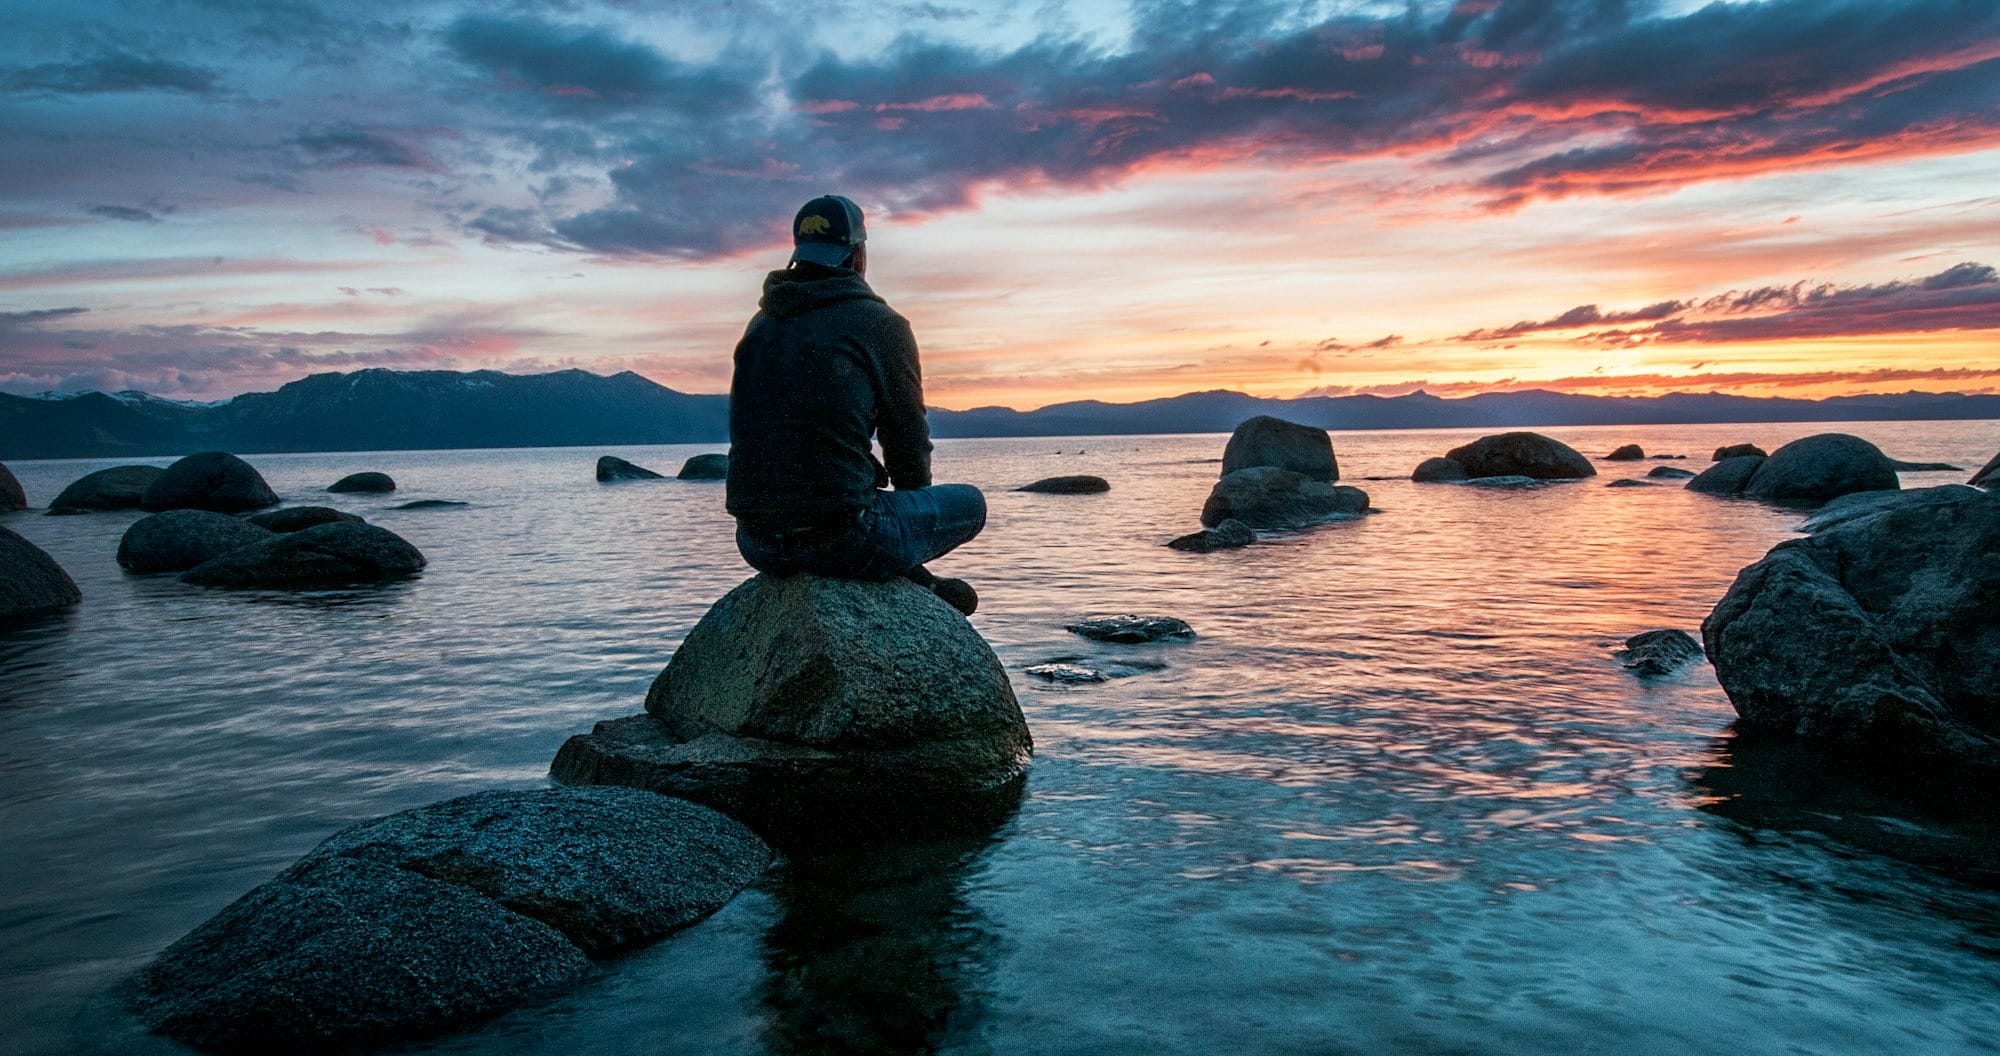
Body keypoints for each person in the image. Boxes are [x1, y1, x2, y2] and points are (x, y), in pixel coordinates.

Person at [726, 194, 985, 615]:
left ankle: (911, 576)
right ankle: (911, 575)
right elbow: (906, 441)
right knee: (971, 504)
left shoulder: (760, 325)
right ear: (858, 254)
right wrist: (907, 526)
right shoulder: (879, 324)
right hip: (844, 538)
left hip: (756, 542)